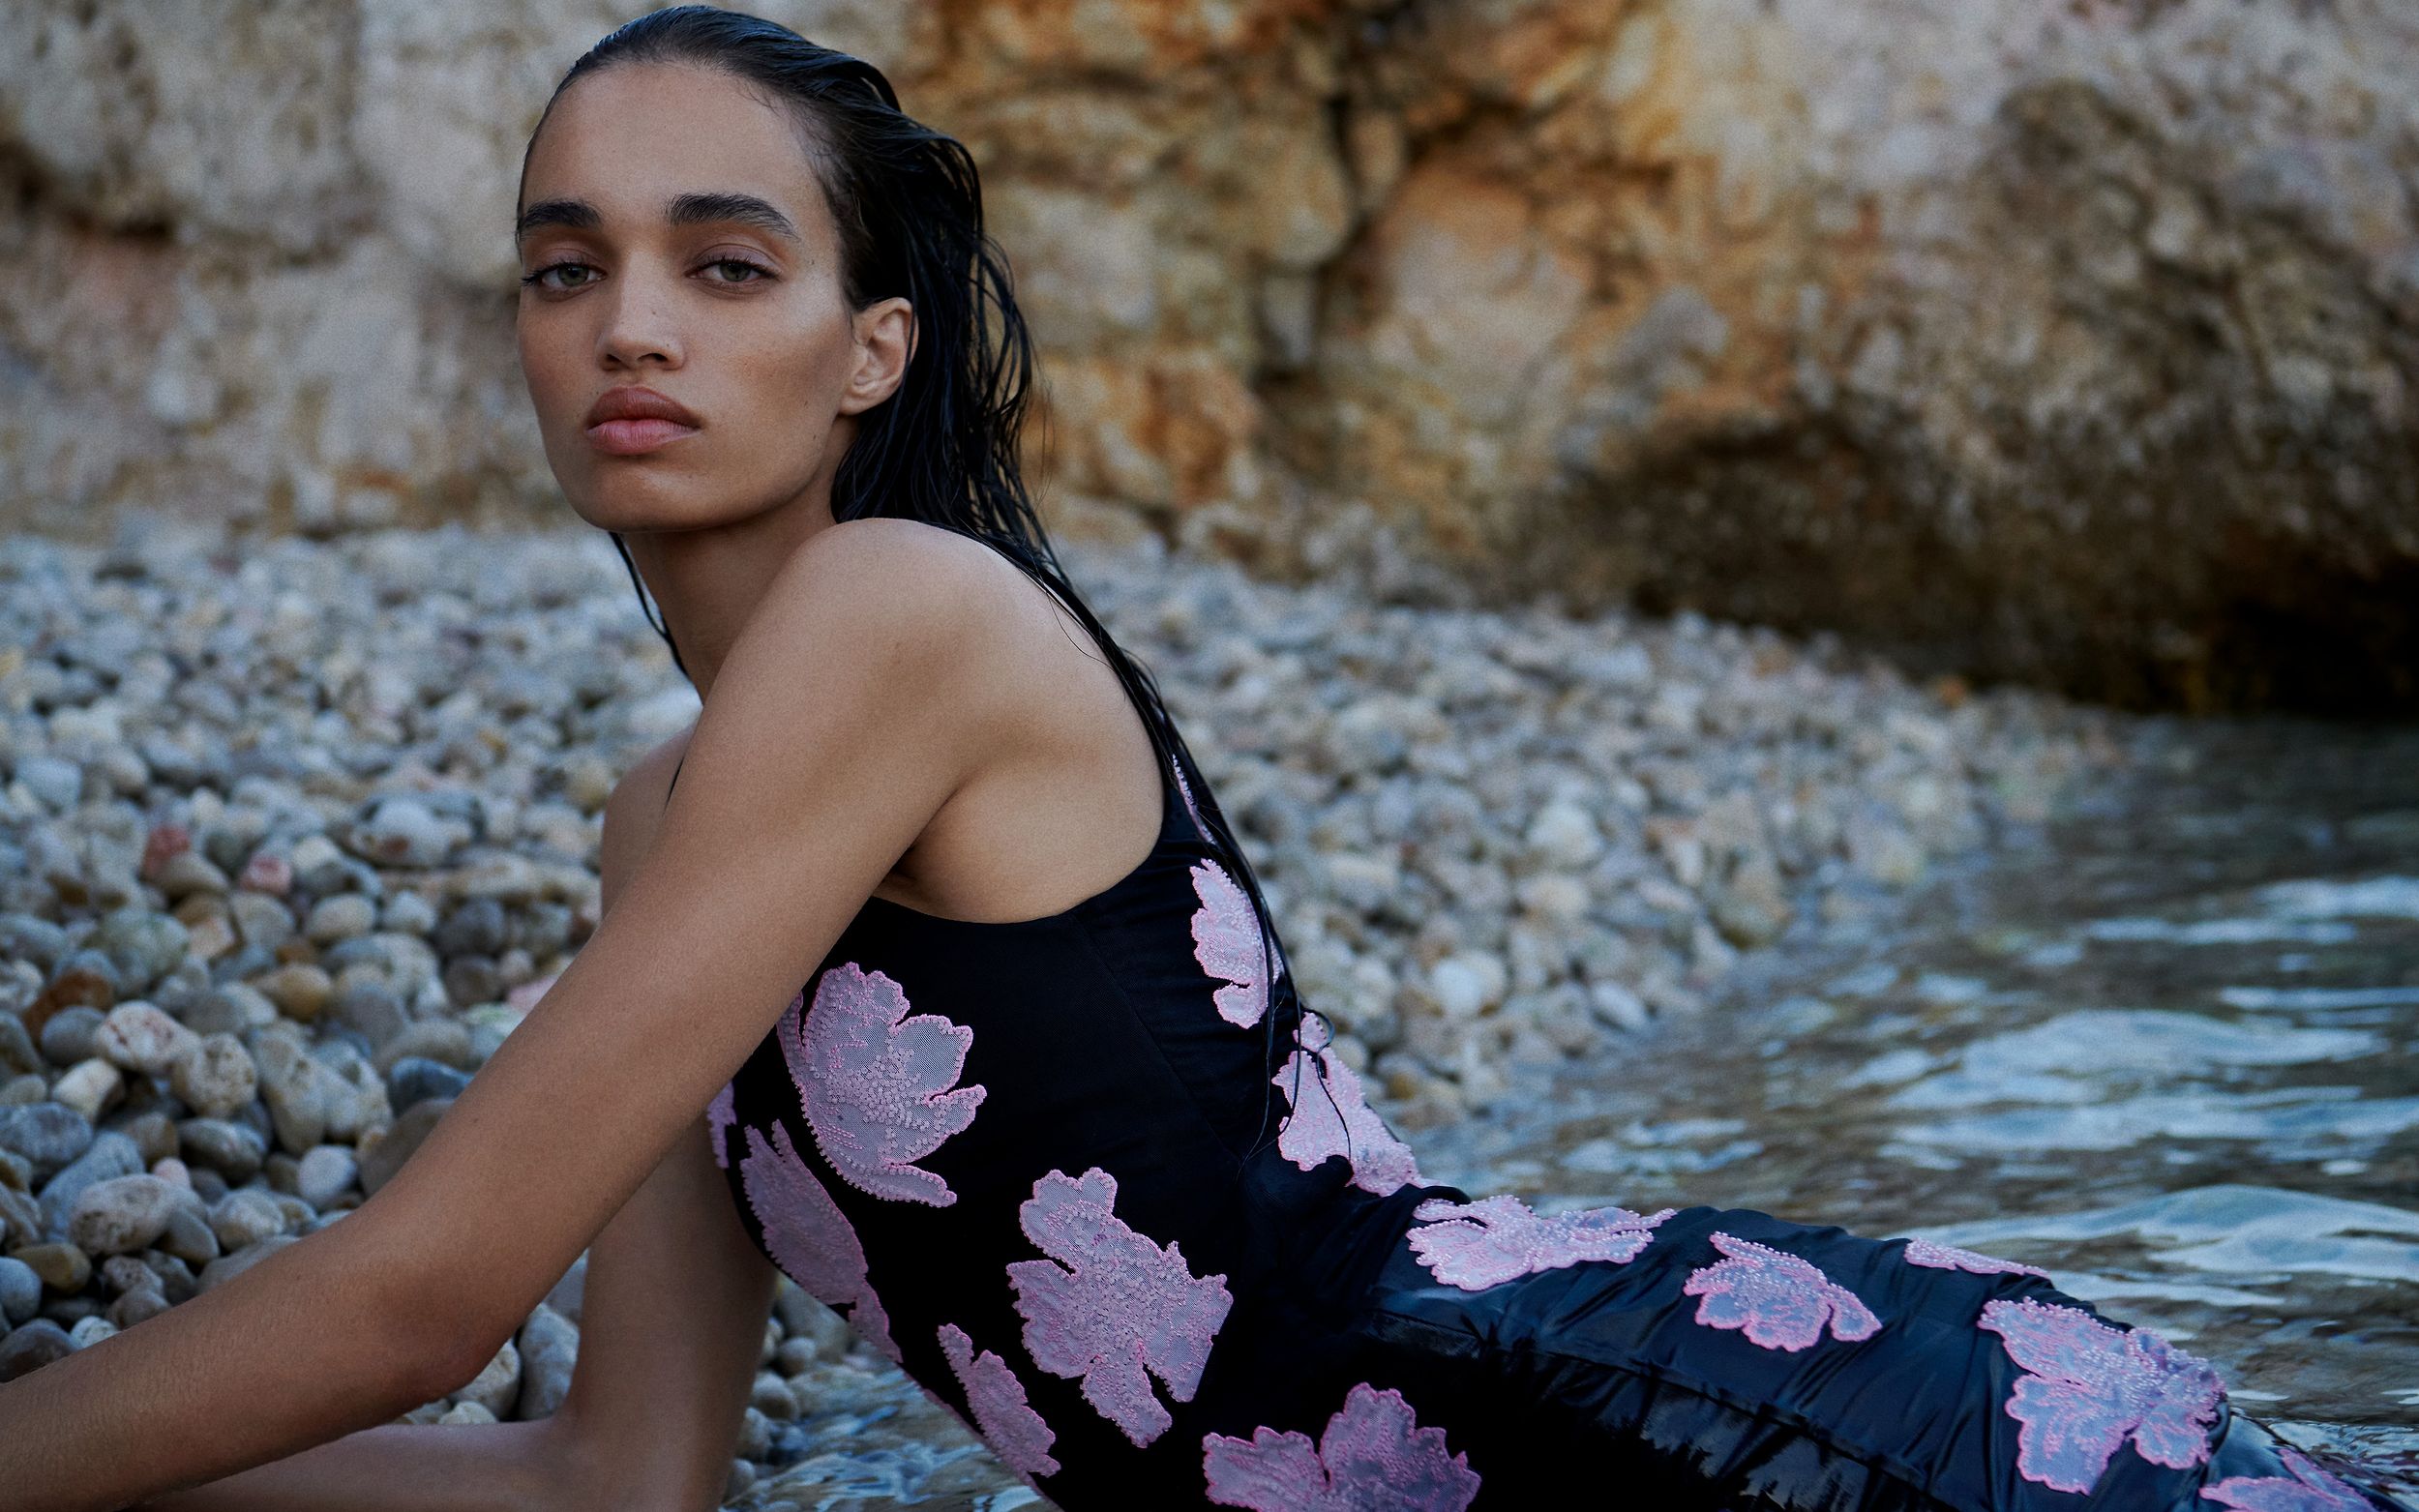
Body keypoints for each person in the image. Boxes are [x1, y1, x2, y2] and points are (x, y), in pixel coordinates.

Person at [1, 8, 2403, 1510]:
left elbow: (425, 1285)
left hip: (1622, 1435)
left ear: (867, 351)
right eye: (562, 264)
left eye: (725, 262)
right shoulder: (672, 805)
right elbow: (609, 1472)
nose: (627, 320)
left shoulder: (900, 614)